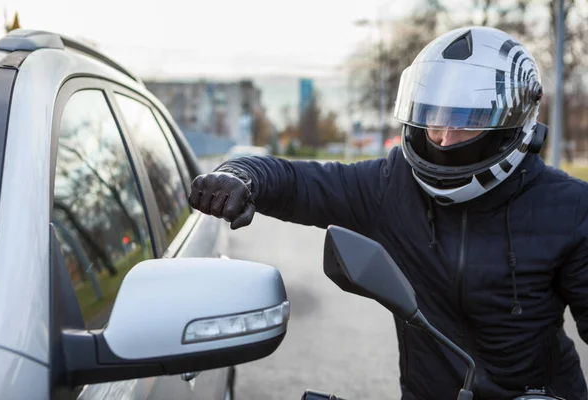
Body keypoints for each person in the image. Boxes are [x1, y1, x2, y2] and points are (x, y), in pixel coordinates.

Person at [189, 26, 588, 400]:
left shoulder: (570, 208)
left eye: (467, 120)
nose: (445, 138)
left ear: (512, 123)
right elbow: (298, 182)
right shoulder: (392, 185)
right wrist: (240, 175)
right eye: (434, 118)